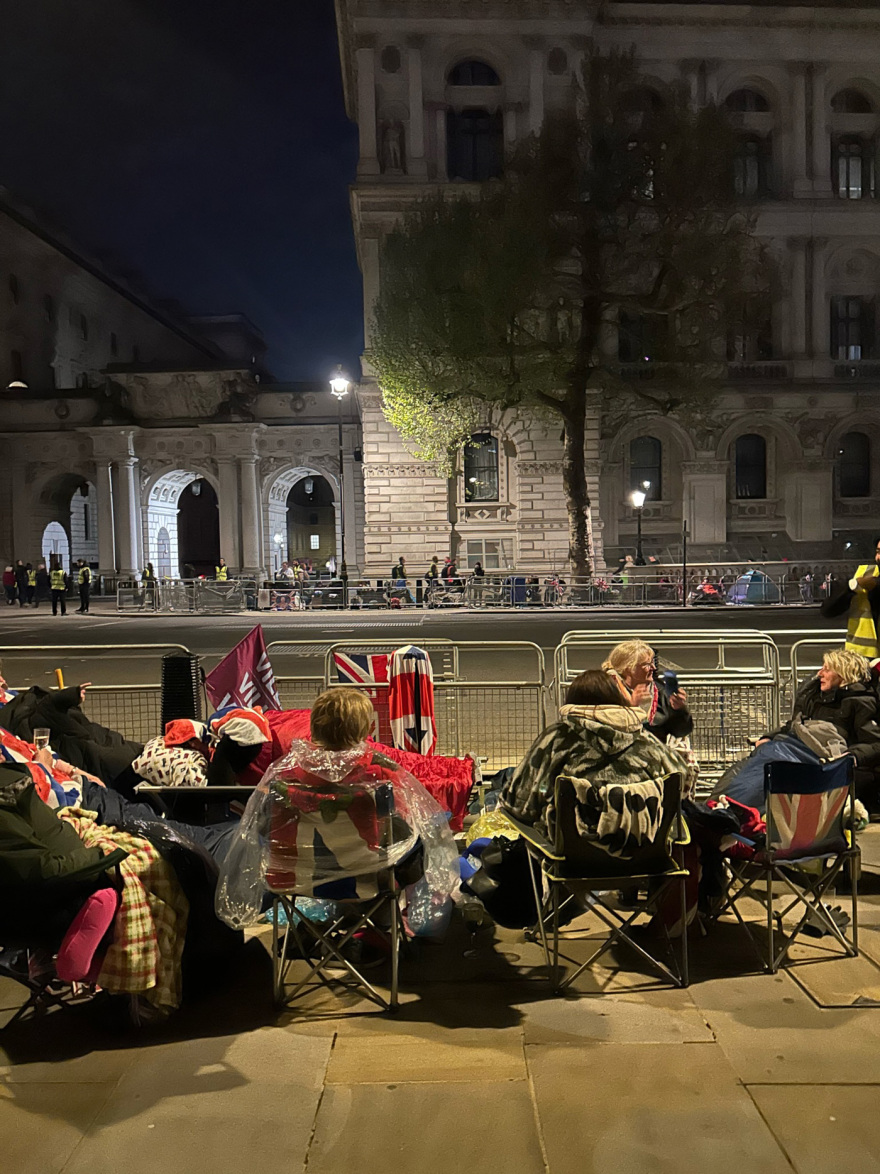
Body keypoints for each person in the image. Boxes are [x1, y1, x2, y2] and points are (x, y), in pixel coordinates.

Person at [500, 669, 692, 841]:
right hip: (644, 857)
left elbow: (517, 802)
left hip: (572, 860)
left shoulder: (559, 737)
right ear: (617, 700)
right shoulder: (642, 739)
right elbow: (682, 782)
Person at [716, 649, 880, 814]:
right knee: (750, 769)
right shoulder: (814, 696)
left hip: (814, 756)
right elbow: (794, 726)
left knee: (767, 777)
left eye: (827, 669)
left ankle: (734, 810)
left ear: (843, 674)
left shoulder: (860, 702)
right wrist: (769, 736)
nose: (820, 673)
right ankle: (723, 803)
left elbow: (874, 742)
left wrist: (853, 756)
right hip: (789, 747)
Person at [602, 639, 693, 743]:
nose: (653, 668)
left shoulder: (659, 691)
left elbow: (680, 732)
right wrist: (632, 707)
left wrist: (679, 710)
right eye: (647, 664)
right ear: (629, 668)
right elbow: (604, 730)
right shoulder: (605, 690)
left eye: (652, 663)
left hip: (653, 754)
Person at [821, 537, 880, 659]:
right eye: (878, 551)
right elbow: (828, 610)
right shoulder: (863, 575)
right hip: (862, 660)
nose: (879, 557)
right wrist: (852, 586)